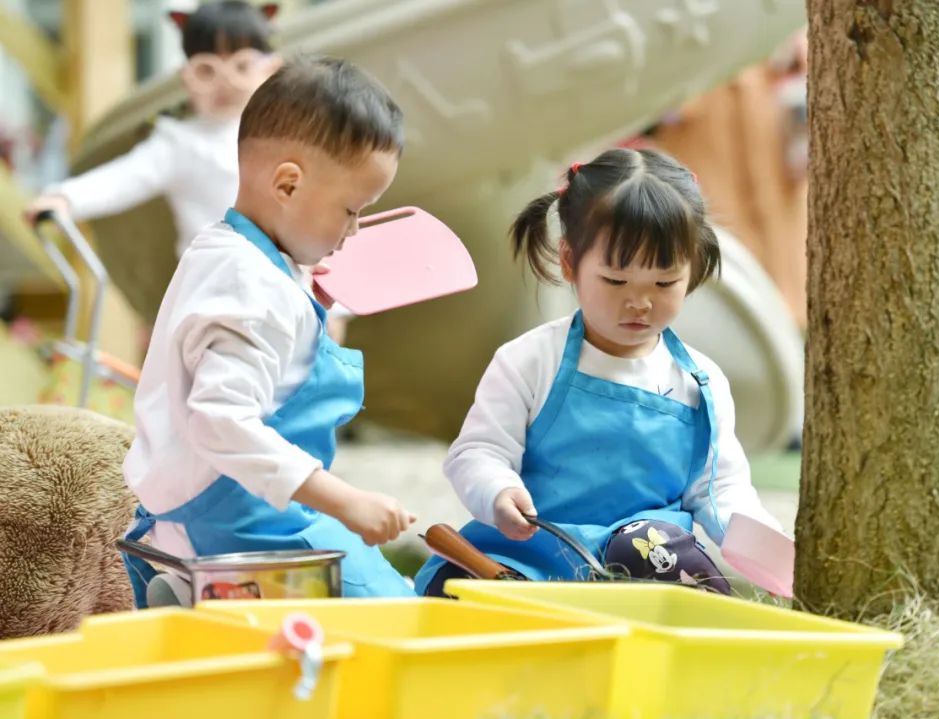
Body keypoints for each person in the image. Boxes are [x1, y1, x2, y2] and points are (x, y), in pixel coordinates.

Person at [414, 148, 782, 597]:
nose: (640, 303)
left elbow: (719, 487)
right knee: (452, 589)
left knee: (648, 548)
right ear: (570, 262)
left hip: (644, 560)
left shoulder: (701, 382)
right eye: (615, 281)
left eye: (665, 283)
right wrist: (497, 491)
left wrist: (770, 550)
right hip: (532, 553)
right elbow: (478, 451)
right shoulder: (529, 360)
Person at [121, 56, 415, 608]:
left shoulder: (230, 253)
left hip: (201, 516)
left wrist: (309, 311)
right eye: (351, 210)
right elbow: (220, 419)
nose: (354, 231)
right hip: (241, 527)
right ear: (287, 183)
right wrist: (345, 500)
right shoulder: (251, 287)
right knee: (394, 614)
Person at [24, 1, 281, 260]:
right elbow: (124, 177)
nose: (225, 83)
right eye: (207, 70)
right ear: (186, 76)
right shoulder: (180, 143)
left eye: (242, 66)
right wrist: (65, 198)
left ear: (271, 68)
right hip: (213, 282)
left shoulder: (287, 131)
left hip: (283, 282)